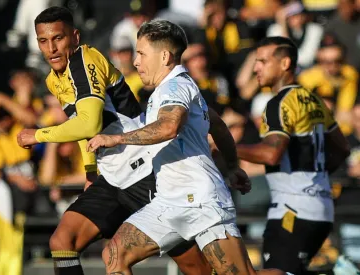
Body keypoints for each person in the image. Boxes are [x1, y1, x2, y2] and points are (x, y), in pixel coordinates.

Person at [16, 7, 234, 275]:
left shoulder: (85, 61)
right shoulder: (54, 80)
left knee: (200, 270)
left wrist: (38, 134)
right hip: (111, 178)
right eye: (43, 41)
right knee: (63, 241)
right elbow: (84, 129)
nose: (51, 48)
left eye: (58, 38)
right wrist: (90, 172)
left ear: (74, 36)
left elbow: (90, 123)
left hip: (143, 173)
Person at [87, 20, 286, 275]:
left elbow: (169, 126)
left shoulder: (175, 86)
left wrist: (116, 139)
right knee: (115, 255)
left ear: (165, 56)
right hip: (168, 201)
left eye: (141, 54)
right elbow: (219, 126)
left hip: (201, 202)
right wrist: (233, 166)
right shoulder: (178, 89)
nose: (136, 62)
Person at [235, 36, 358, 275]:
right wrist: (314, 179)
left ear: (284, 64)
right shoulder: (314, 100)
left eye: (262, 61)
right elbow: (342, 149)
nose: (256, 68)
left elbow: (271, 154)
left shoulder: (279, 104)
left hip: (291, 209)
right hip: (321, 208)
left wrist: (226, 146)